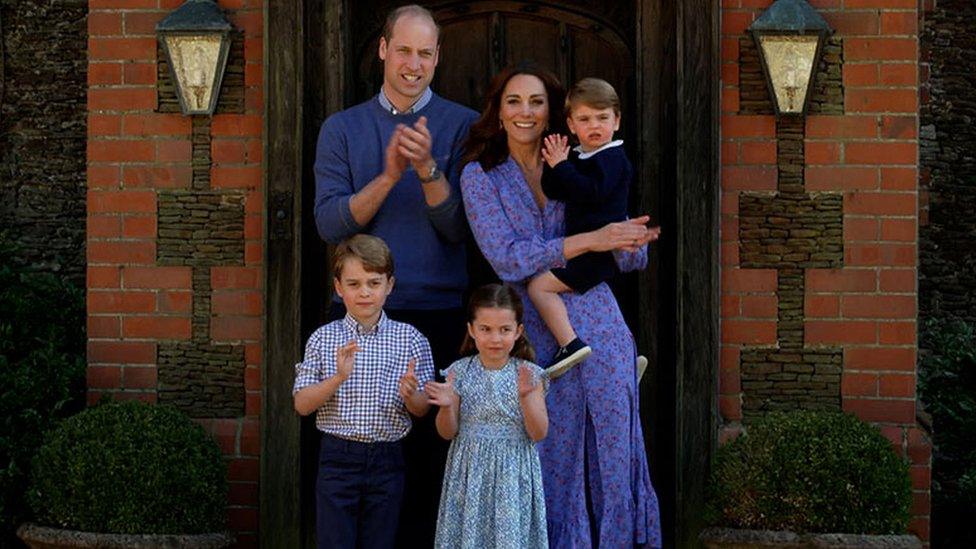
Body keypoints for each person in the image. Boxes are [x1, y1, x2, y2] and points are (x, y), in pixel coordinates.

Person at [459, 62, 663, 548]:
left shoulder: (582, 158)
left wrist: (630, 241)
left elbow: (626, 253)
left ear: (555, 113)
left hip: (600, 323)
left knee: (614, 452)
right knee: (551, 452)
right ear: (499, 112)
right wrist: (590, 239)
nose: (525, 112)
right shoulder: (480, 175)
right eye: (514, 102)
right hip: (535, 335)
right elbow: (507, 260)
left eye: (536, 102)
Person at [312, 5, 478, 545]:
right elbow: (329, 221)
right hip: (360, 316)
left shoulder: (464, 125)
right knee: (362, 456)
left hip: (437, 312)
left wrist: (428, 169)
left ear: (437, 58)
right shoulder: (342, 128)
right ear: (383, 49)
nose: (413, 64)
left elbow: (461, 231)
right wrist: (387, 176)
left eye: (424, 53)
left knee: (431, 456)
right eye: (403, 50)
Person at [292, 234, 434, 549]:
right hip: (337, 457)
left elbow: (422, 409)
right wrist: (338, 378)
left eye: (373, 282)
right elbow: (302, 405)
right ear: (338, 288)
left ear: (390, 285)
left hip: (388, 457)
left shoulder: (410, 339)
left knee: (380, 542)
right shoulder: (323, 339)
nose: (365, 292)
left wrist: (412, 394)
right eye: (354, 284)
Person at [530, 77, 655, 378]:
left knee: (539, 286)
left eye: (602, 117)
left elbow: (591, 192)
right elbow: (555, 188)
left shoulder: (613, 159)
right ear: (571, 125)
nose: (594, 125)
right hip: (587, 248)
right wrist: (555, 164)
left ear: (617, 120)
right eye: (585, 119)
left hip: (596, 252)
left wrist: (563, 166)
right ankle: (625, 362)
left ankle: (569, 344)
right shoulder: (581, 156)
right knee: (607, 307)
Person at [427, 283, 549, 548]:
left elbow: (539, 433)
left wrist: (527, 398)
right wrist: (447, 405)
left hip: (512, 473)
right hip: (470, 473)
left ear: (518, 331)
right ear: (471, 330)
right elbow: (447, 432)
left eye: (505, 330)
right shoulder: (459, 372)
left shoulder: (529, 374)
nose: (495, 339)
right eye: (486, 329)